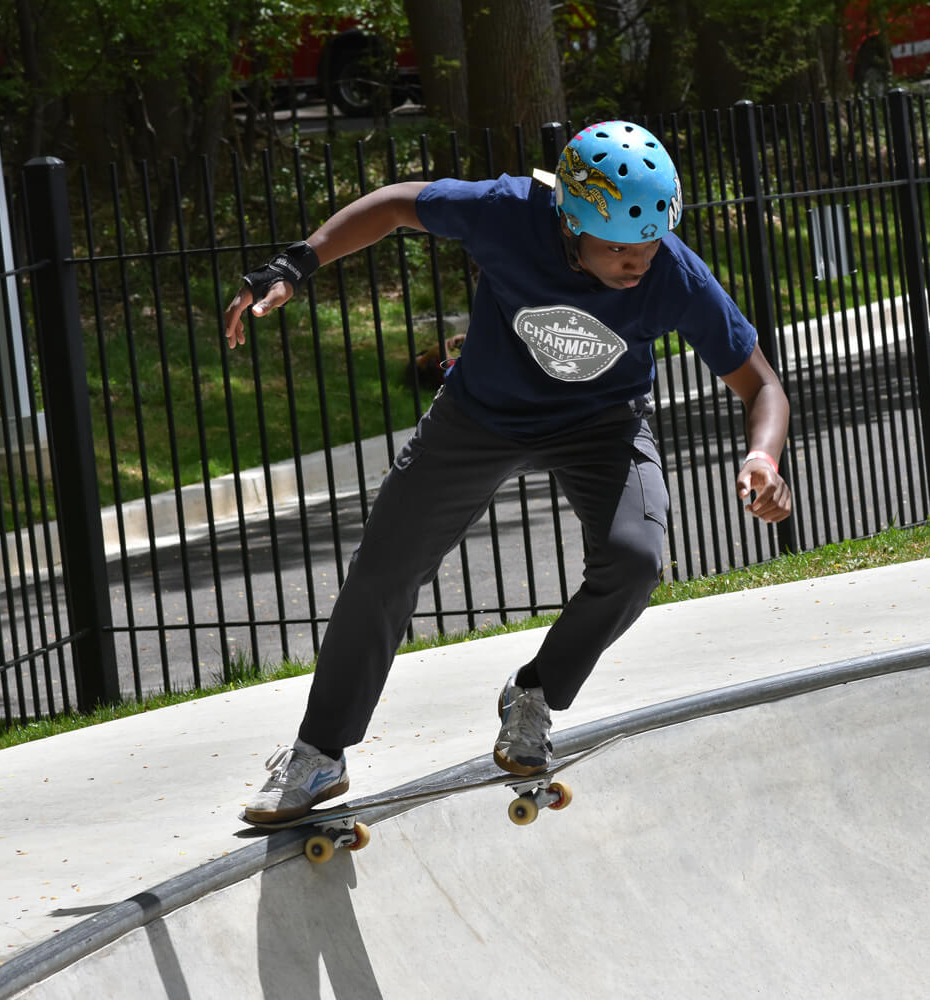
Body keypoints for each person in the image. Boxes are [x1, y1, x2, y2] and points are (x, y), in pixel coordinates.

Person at [222, 120, 793, 824]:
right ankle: (318, 755)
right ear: (569, 223)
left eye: (647, 243)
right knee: (383, 571)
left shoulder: (673, 273)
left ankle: (534, 695)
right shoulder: (507, 212)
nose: (635, 262)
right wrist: (294, 265)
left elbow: (761, 385)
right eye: (616, 247)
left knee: (636, 558)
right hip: (479, 417)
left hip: (601, 423)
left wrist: (762, 456)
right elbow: (397, 203)